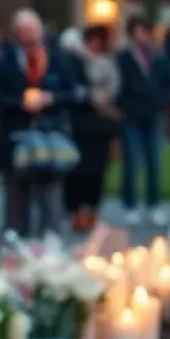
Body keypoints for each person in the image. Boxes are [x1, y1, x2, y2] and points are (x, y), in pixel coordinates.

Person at [0, 9, 76, 237]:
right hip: (17, 139)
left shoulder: (56, 59)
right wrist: (21, 103)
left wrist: (51, 98)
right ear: (16, 35)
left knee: (51, 202)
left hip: (51, 142)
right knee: (16, 202)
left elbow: (72, 93)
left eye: (35, 33)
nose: (32, 40)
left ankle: (49, 251)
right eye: (25, 34)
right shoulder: (4, 61)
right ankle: (15, 250)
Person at [62, 24, 121, 232]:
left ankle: (92, 210)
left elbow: (115, 88)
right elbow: (71, 87)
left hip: (102, 125)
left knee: (98, 171)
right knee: (78, 171)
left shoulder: (109, 63)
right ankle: (76, 210)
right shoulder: (75, 60)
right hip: (81, 124)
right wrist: (90, 96)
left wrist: (105, 98)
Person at [116, 15, 170, 226]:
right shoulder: (123, 58)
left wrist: (161, 101)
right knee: (131, 161)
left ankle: (153, 204)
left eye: (144, 31)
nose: (142, 36)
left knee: (153, 162)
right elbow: (118, 86)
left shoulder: (158, 57)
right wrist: (127, 105)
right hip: (131, 116)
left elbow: (168, 83)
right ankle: (130, 204)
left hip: (153, 115)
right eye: (138, 31)